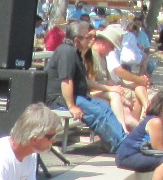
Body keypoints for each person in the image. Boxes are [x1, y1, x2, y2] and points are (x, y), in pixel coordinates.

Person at [46, 21, 127, 152]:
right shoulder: (66, 52)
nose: (91, 40)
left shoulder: (76, 52)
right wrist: (72, 107)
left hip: (76, 95)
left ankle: (123, 140)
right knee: (97, 113)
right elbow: (66, 81)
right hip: (60, 98)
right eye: (88, 37)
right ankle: (120, 146)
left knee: (104, 107)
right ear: (77, 39)